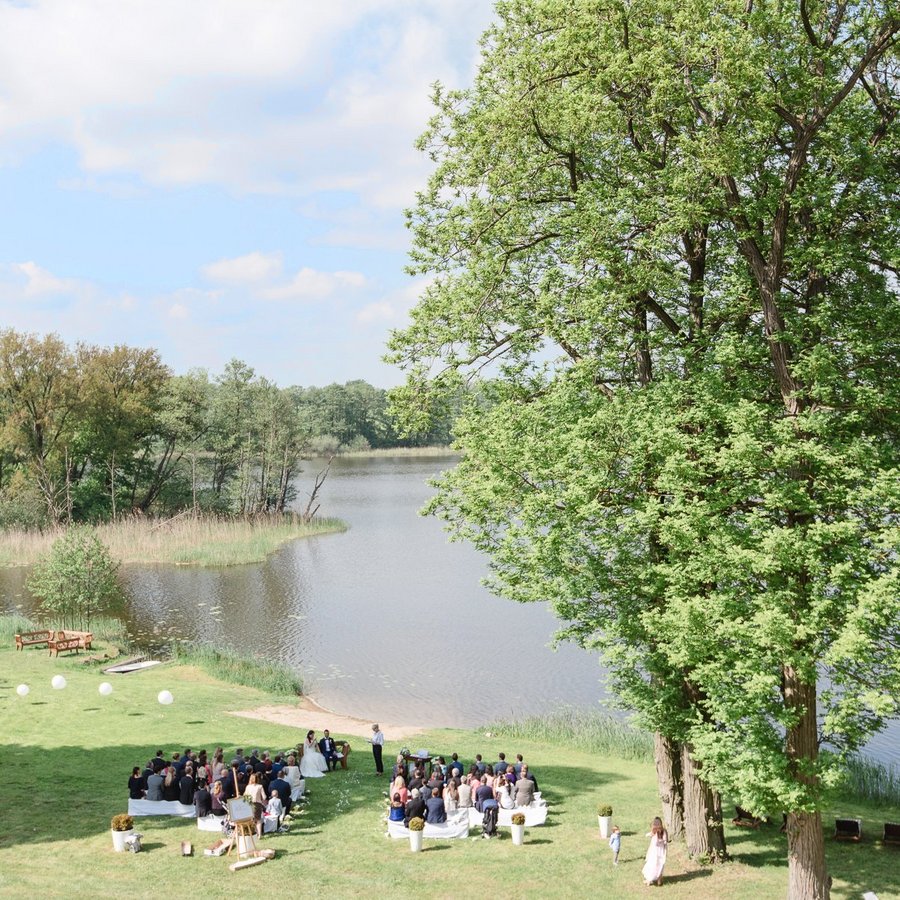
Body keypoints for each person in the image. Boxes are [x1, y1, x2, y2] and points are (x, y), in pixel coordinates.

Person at [642, 817, 668, 887]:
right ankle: (649, 879)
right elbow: (649, 835)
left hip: (660, 850)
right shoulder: (654, 831)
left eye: (658, 823)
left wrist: (662, 841)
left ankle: (659, 878)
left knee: (660, 864)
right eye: (655, 823)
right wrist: (650, 834)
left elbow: (665, 840)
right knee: (652, 863)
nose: (657, 824)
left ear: (661, 824)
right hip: (654, 851)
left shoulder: (663, 831)